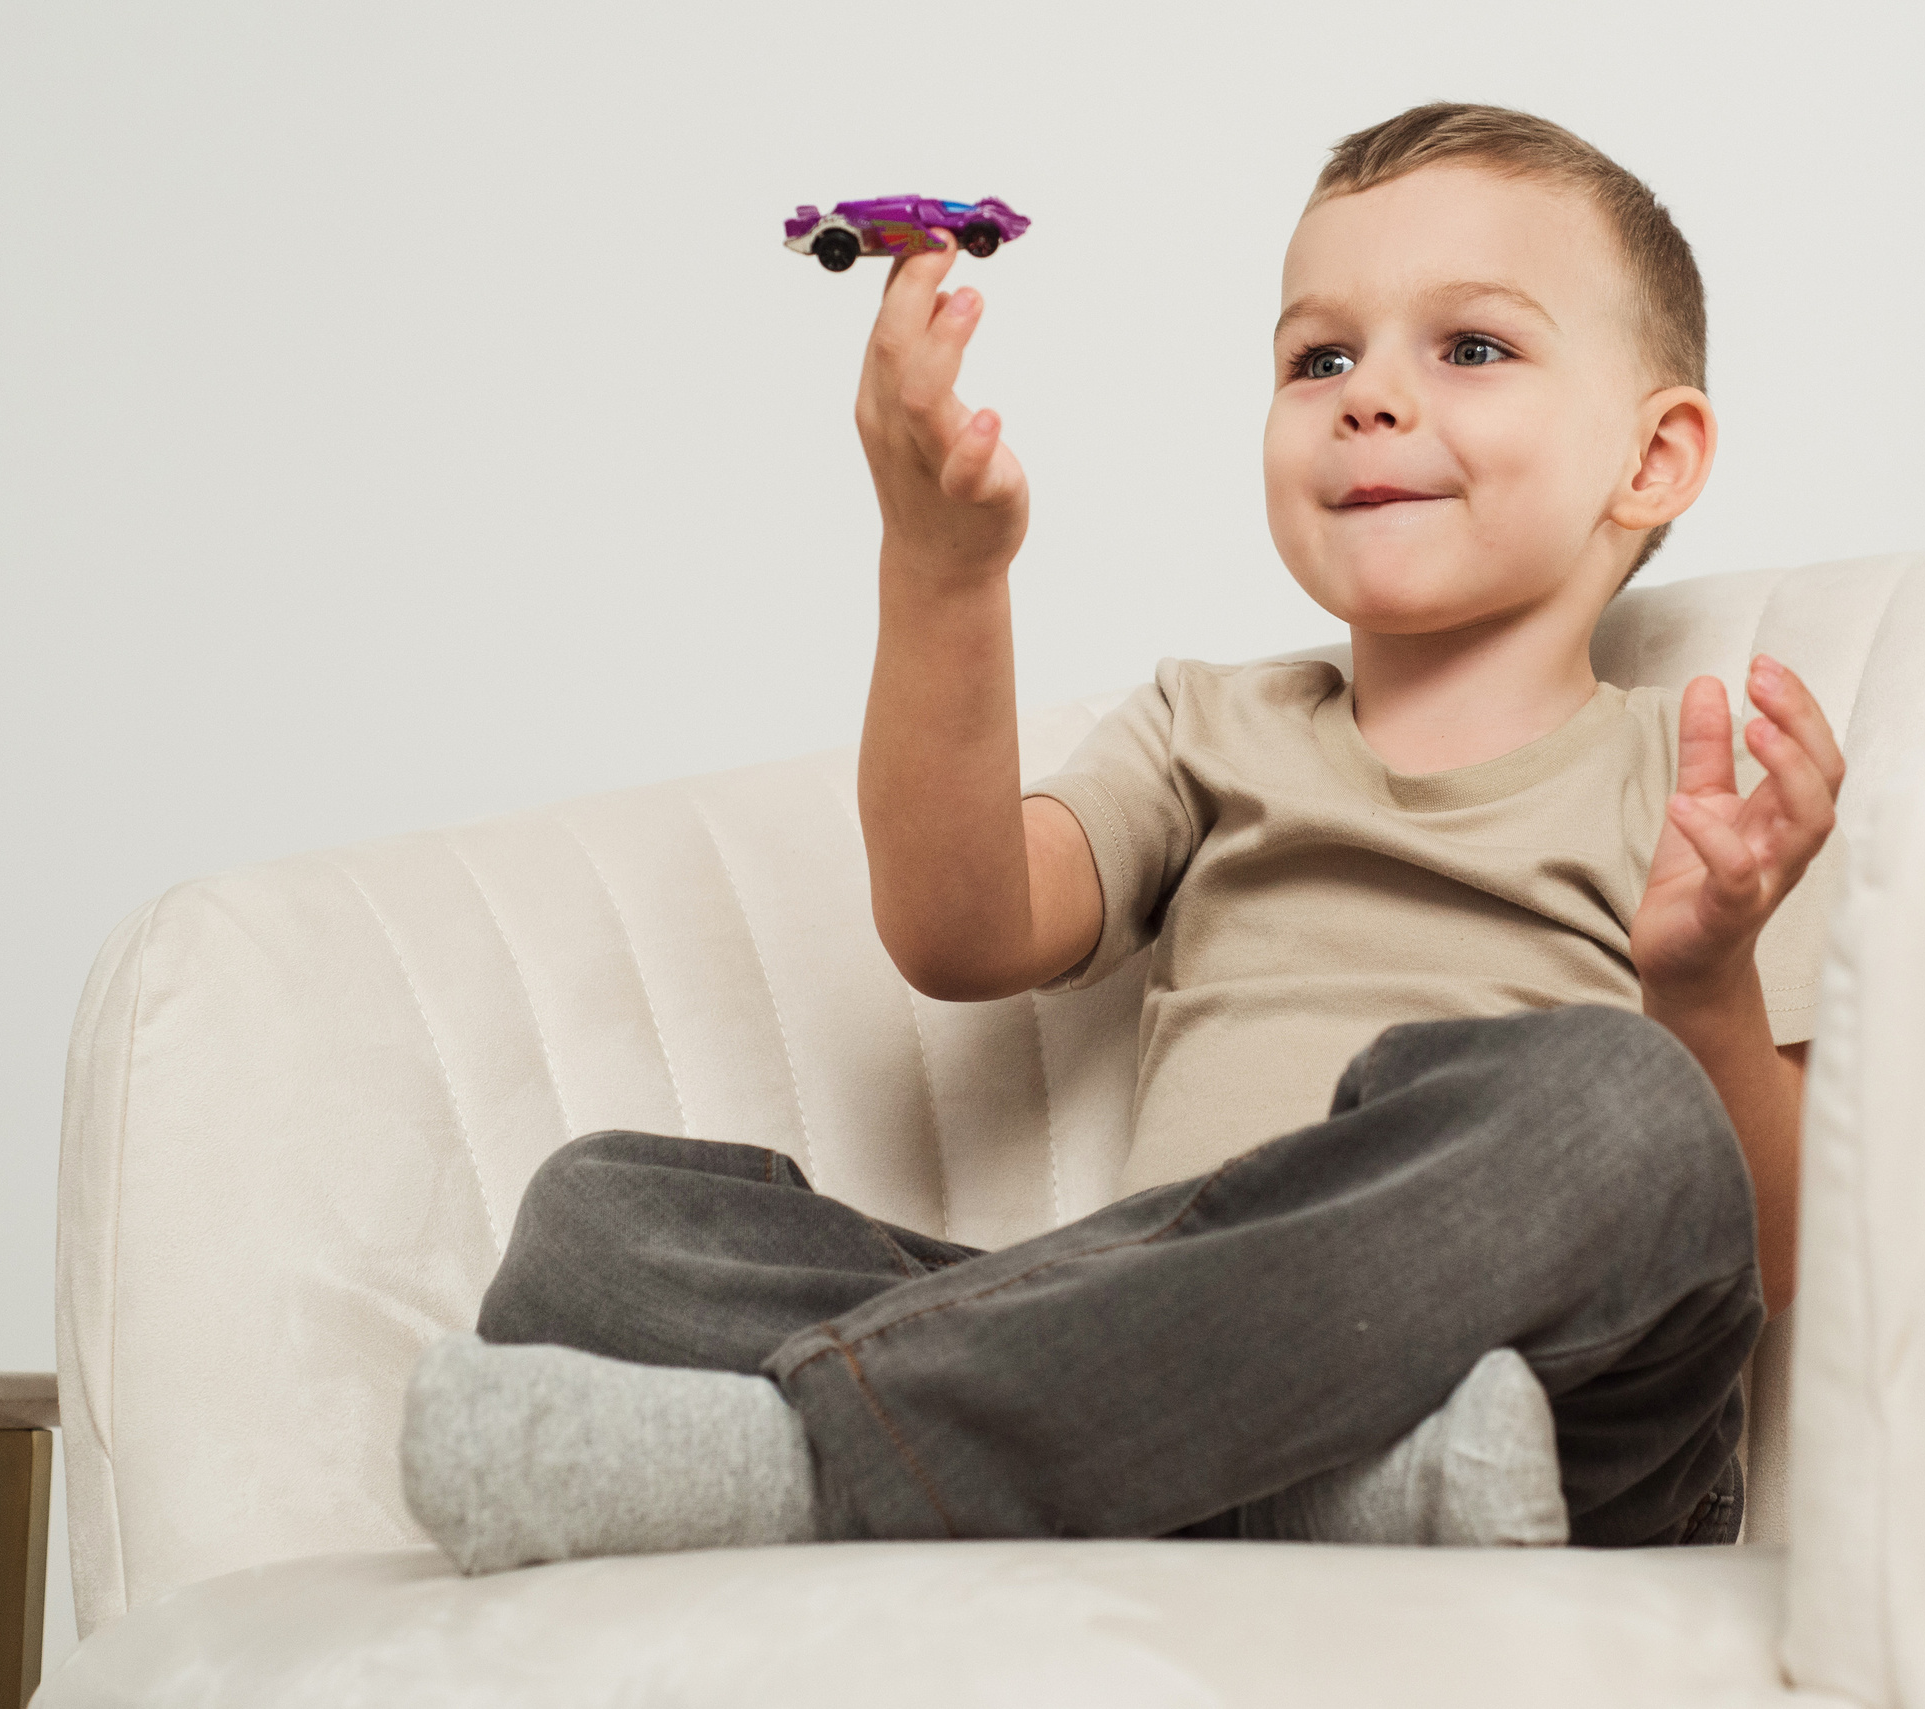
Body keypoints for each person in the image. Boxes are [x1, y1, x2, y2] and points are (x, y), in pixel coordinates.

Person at [399, 101, 1845, 1571]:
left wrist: (1703, 975)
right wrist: (943, 568)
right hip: (1165, 1348)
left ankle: (823, 1468)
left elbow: (1770, 1247)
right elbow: (961, 931)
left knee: (1617, 1114)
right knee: (596, 1225)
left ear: (1654, 458)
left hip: (1546, 1402)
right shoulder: (1208, 728)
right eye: (1319, 357)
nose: (1369, 396)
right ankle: (1300, 1495)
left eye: (1470, 347)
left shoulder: (1710, 786)